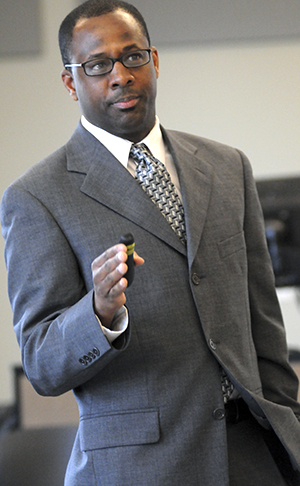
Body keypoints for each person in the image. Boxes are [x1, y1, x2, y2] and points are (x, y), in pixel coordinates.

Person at [1, 1, 300, 485]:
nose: (120, 75)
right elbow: (41, 364)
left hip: (255, 458)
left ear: (154, 61)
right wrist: (97, 312)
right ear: (70, 82)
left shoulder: (227, 168)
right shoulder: (36, 197)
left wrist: (292, 433)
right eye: (97, 65)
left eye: (133, 56)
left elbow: (264, 325)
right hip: (142, 469)